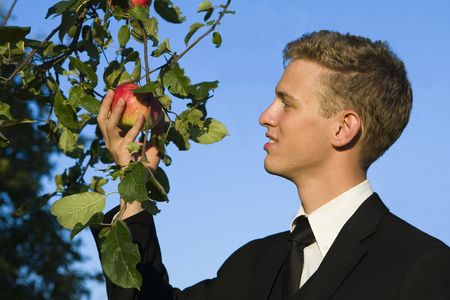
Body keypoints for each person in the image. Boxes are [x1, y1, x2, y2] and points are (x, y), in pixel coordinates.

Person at [93, 30, 450, 299]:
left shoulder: (421, 266)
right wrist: (133, 183)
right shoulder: (251, 263)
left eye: (287, 103)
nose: (265, 116)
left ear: (343, 128)